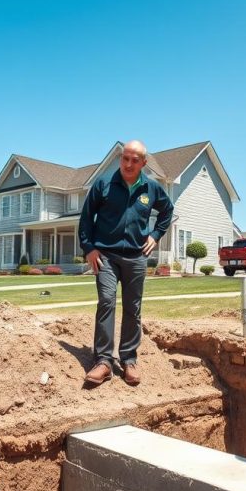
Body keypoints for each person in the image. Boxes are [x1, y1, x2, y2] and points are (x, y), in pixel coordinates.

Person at [79, 140, 174, 386]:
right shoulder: (103, 184)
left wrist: (155, 235)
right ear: (121, 159)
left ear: (144, 163)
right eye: (125, 158)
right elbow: (87, 217)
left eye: (135, 160)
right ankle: (103, 361)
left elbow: (167, 211)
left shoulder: (152, 189)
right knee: (107, 301)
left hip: (136, 257)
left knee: (133, 307)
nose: (129, 164)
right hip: (106, 256)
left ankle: (129, 360)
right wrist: (89, 248)